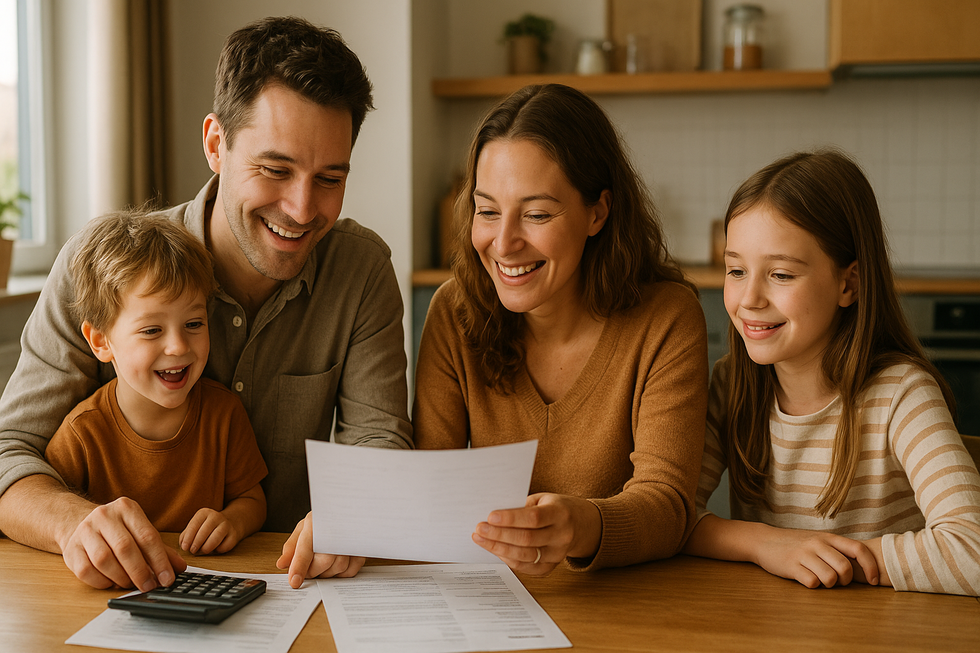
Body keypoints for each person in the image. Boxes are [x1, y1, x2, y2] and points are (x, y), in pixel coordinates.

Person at [0, 16, 412, 592]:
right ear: (216, 144)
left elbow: (380, 443)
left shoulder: (361, 271)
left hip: (295, 587)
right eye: (275, 169)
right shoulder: (99, 267)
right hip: (117, 595)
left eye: (329, 178)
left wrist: (355, 512)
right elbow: (9, 451)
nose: (301, 209)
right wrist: (73, 524)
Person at [414, 83, 708, 574]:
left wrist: (581, 524)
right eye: (487, 211)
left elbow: (669, 506)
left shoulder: (666, 318)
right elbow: (430, 489)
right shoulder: (453, 313)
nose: (504, 243)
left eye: (536, 214)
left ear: (598, 212)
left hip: (625, 602)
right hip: (491, 595)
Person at [682, 149, 980, 596]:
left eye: (781, 275)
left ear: (848, 284)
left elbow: (972, 549)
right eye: (736, 270)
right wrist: (767, 545)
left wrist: (830, 560)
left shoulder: (902, 394)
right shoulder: (732, 384)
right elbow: (669, 516)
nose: (749, 299)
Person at [46, 210, 268, 557]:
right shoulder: (81, 433)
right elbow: (51, 512)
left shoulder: (223, 413)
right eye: (152, 330)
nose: (178, 346)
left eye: (194, 324)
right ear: (101, 341)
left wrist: (232, 521)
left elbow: (252, 500)